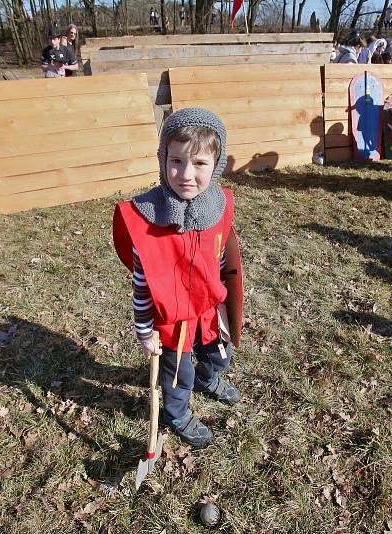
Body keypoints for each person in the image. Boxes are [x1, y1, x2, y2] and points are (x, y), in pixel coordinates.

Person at [112, 108, 242, 449]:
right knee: (176, 375)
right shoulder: (148, 218)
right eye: (176, 161)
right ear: (162, 159)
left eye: (199, 164)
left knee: (219, 354)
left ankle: (209, 378)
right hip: (174, 320)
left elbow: (222, 255)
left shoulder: (220, 204)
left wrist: (225, 300)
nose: (186, 174)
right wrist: (144, 330)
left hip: (209, 308)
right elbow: (143, 284)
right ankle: (176, 411)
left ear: (217, 166)